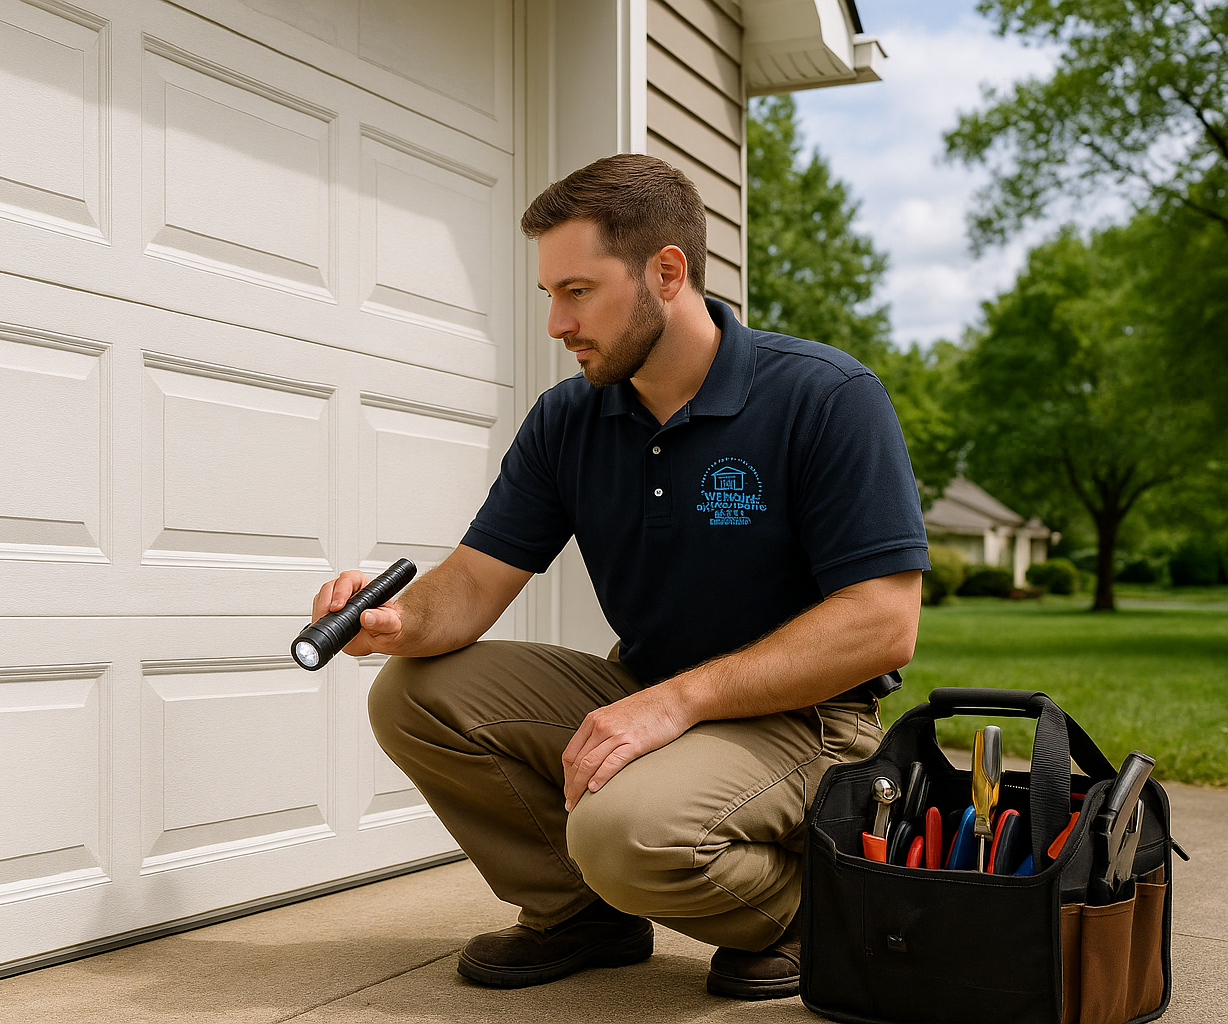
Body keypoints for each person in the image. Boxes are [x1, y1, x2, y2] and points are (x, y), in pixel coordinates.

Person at [309, 154, 928, 1001]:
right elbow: (472, 585)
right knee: (412, 696)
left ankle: (805, 909)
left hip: (811, 721)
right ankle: (582, 915)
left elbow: (883, 623)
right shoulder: (571, 417)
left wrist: (676, 701)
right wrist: (396, 622)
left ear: (666, 272)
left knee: (621, 833)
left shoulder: (825, 396)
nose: (557, 323)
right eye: (549, 296)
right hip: (650, 693)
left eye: (579, 291)